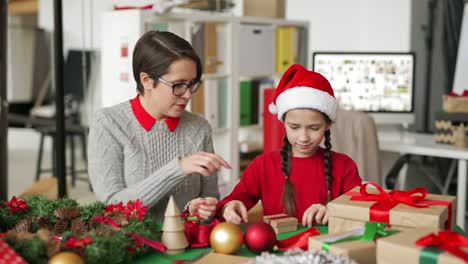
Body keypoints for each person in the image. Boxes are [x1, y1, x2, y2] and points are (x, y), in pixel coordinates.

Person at [88, 31, 231, 221]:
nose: (188, 95)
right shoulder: (108, 123)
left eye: (192, 84)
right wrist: (177, 169)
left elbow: (210, 197)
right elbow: (112, 209)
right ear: (147, 80)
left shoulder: (199, 128)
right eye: (178, 85)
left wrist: (202, 209)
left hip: (188, 244)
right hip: (133, 246)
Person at [217, 64, 362, 227]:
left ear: (327, 125)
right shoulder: (263, 165)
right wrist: (230, 207)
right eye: (294, 127)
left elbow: (361, 211)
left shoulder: (344, 166)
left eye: (314, 128)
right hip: (274, 250)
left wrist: (335, 211)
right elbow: (230, 203)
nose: (303, 137)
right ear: (284, 123)